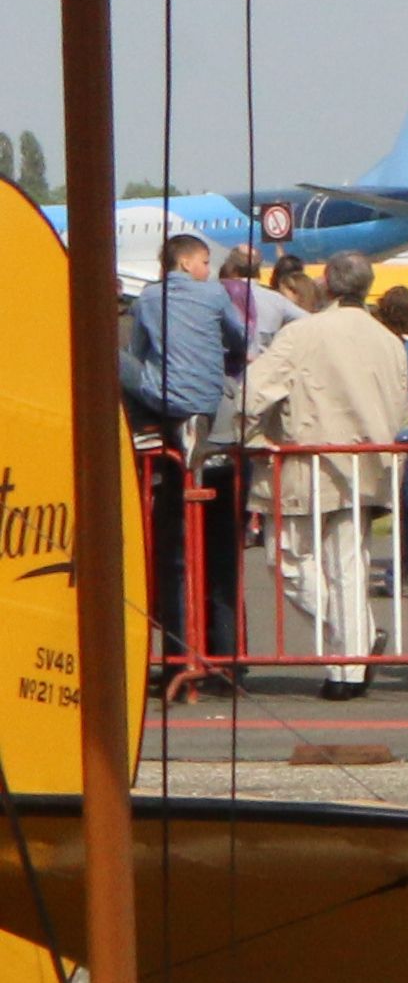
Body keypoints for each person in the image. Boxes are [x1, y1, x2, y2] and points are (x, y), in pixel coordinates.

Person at [232, 256, 408, 698]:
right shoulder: (389, 340)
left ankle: (351, 650)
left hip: (305, 460)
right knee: (348, 567)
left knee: (288, 560)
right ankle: (353, 655)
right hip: (369, 463)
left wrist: (251, 437)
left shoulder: (303, 333)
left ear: (327, 283)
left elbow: (251, 392)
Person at [119, 232, 235, 674]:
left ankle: (137, 429)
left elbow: (139, 352)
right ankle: (222, 657)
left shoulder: (148, 300)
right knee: (214, 554)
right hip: (209, 408)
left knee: (175, 552)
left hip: (167, 402)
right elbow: (240, 339)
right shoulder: (216, 295)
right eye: (205, 261)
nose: (208, 269)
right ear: (187, 263)